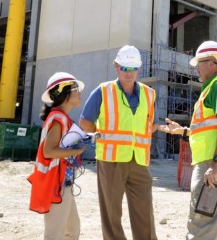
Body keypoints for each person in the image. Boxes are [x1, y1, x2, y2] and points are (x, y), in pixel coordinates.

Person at [162, 40, 217, 240]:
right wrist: (182, 131)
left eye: (199, 63)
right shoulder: (213, 87)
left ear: (213, 63)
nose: (196, 68)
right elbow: (209, 129)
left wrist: (215, 163)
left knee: (201, 220)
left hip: (215, 163)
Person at [79, 45, 159, 240]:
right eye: (125, 68)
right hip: (111, 160)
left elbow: (151, 124)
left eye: (133, 69)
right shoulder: (103, 91)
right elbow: (85, 121)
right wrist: (101, 134)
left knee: (144, 210)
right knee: (112, 213)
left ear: (138, 69)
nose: (129, 73)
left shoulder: (149, 94)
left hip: (139, 160)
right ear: (116, 67)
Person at [28, 72, 87, 239]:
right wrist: (77, 150)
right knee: (55, 234)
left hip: (62, 183)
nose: (80, 93)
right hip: (56, 183)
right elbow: (49, 151)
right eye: (76, 89)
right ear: (64, 93)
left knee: (72, 229)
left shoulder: (61, 118)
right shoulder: (58, 118)